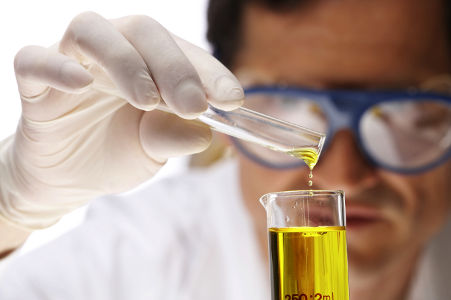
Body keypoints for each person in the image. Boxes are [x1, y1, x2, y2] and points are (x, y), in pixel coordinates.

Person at [0, 0, 450, 299]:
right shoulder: (140, 256)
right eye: (288, 103)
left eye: (409, 114)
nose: (344, 177)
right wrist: (11, 209)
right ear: (224, 102)